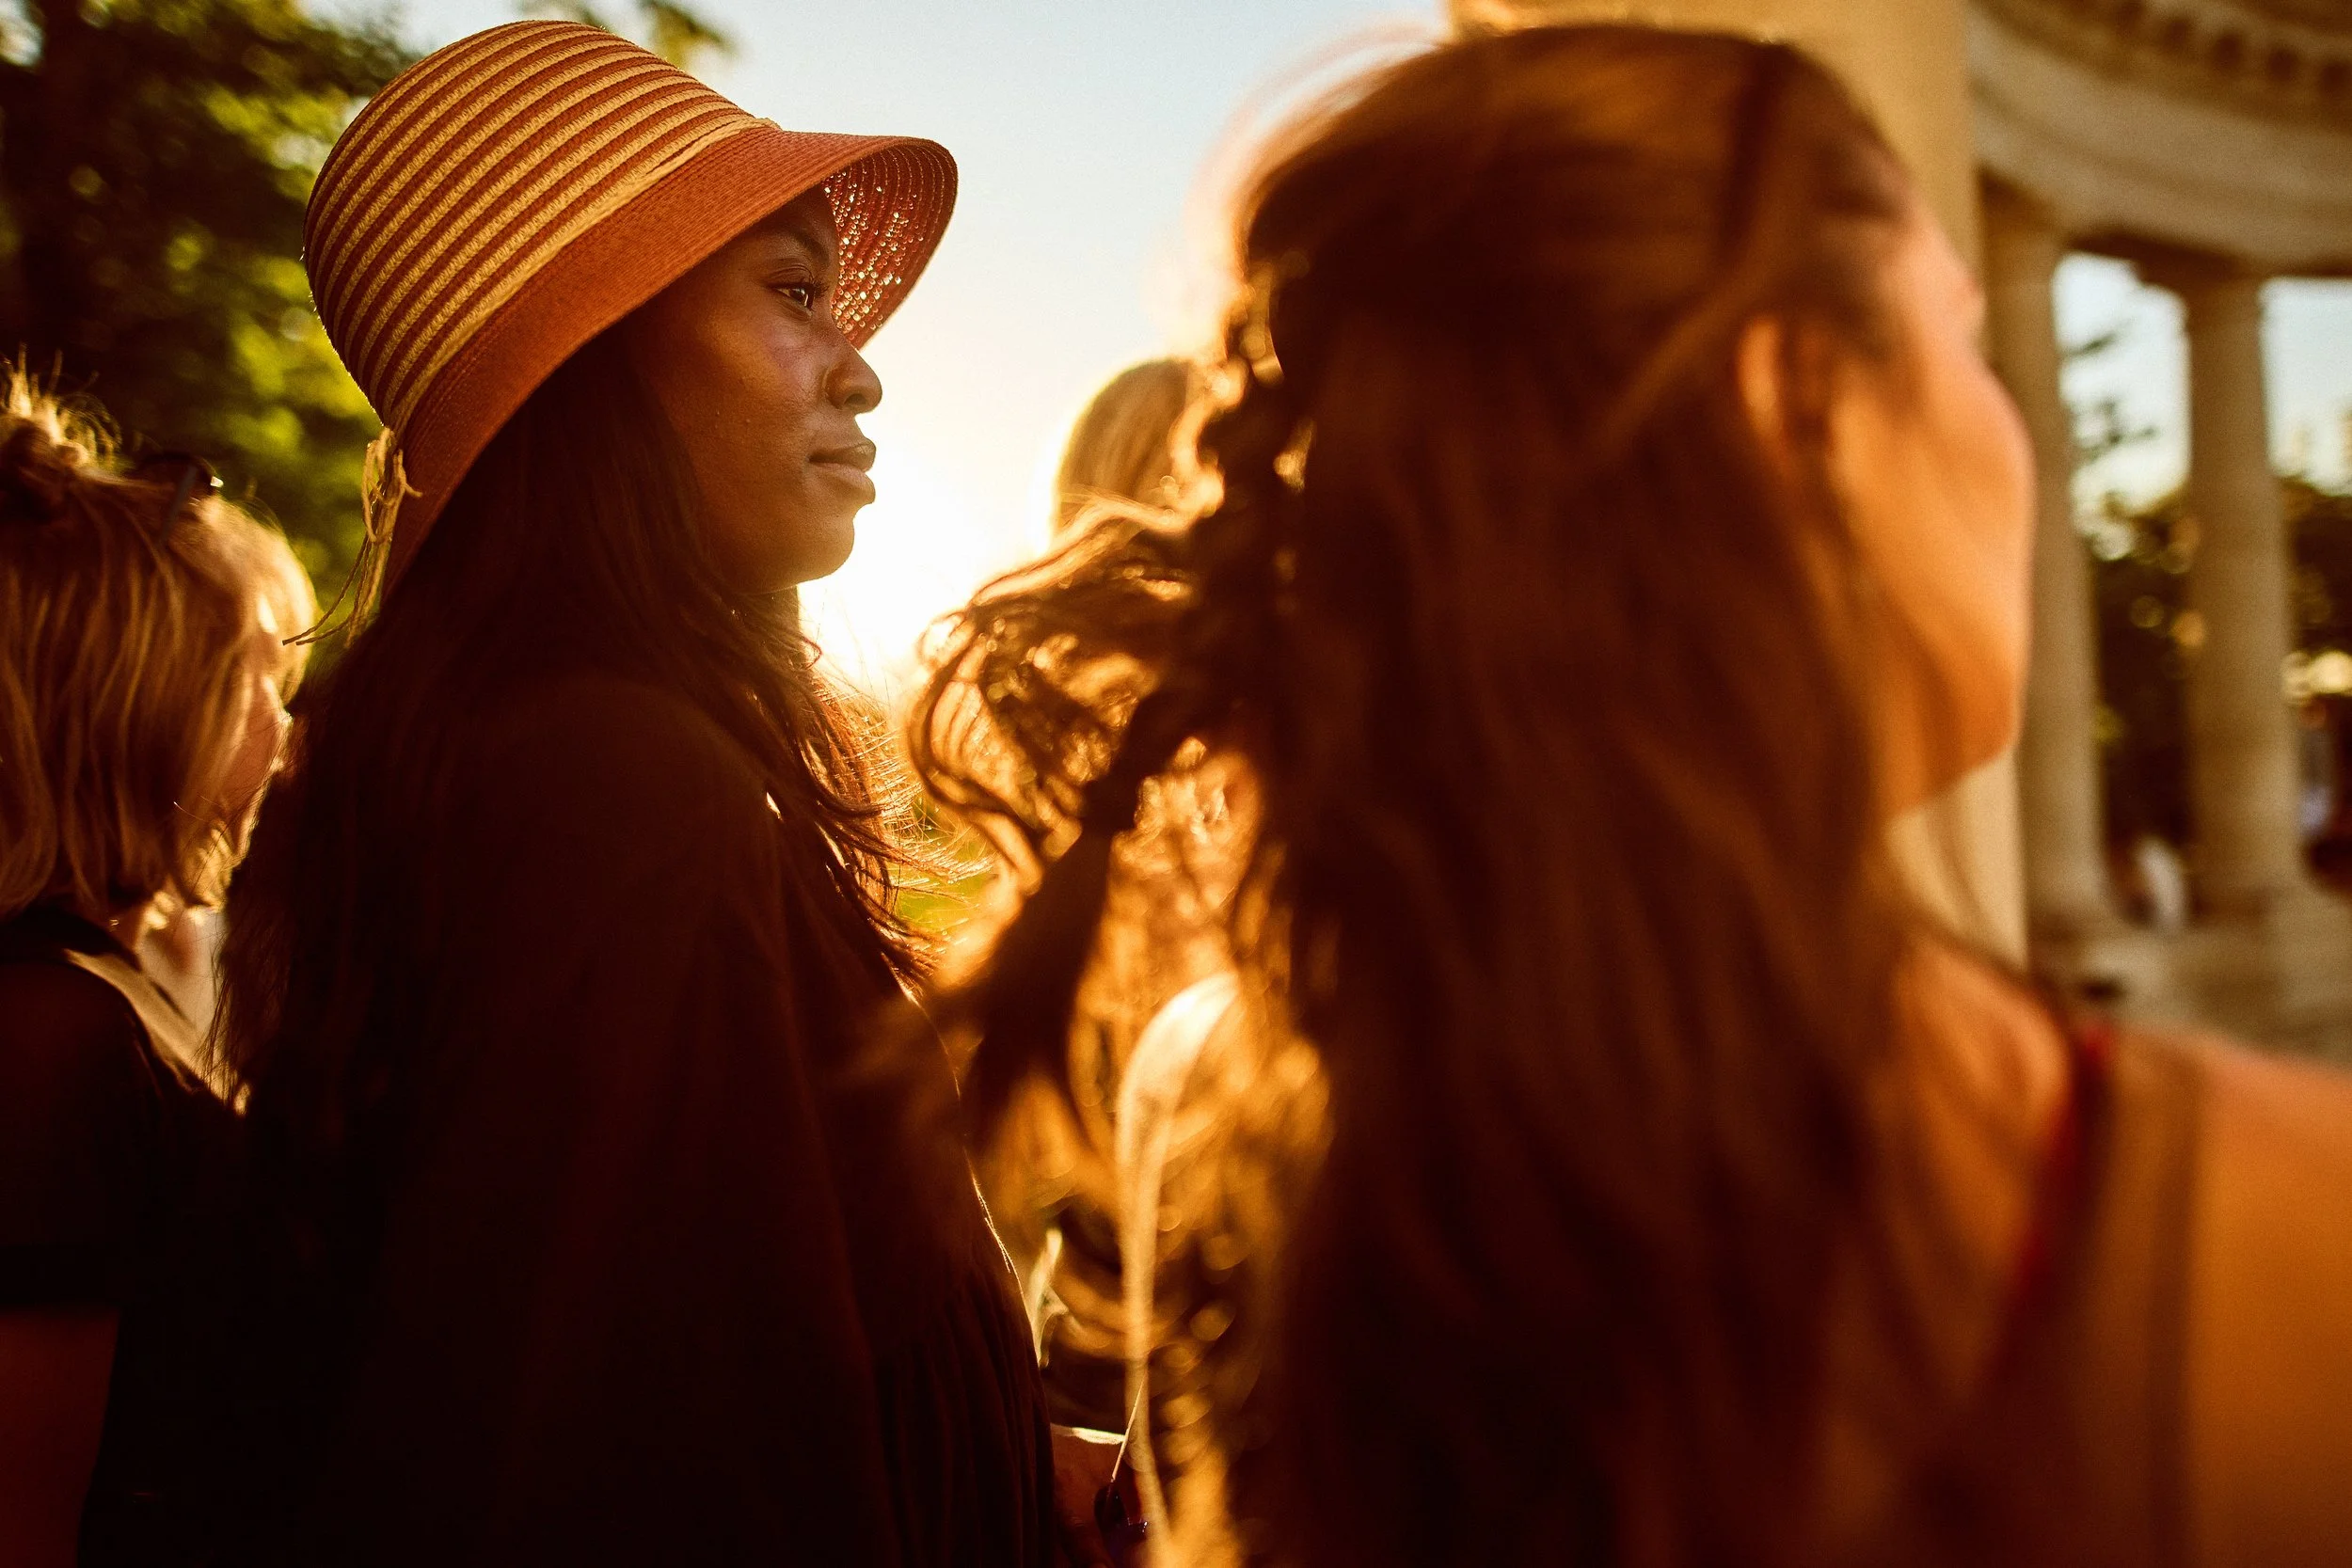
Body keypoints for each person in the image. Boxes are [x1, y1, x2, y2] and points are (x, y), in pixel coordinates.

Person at [911, 24, 2352, 1568]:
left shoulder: (1214, 1101)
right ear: (1797, 398)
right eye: (1964, 336)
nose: (2017, 433)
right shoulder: (2281, 1243)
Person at [211, 21, 1078, 1566]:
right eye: (795, 294)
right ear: (597, 360)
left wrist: (1014, 1460)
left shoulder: (527, 759)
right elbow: (630, 1465)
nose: (864, 366)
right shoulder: (615, 798)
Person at [0, 384, 298, 1568]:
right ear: (147, 711)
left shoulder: (92, 992)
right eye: (261, 679)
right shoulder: (43, 1035)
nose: (288, 723)